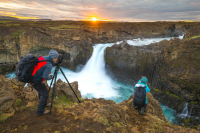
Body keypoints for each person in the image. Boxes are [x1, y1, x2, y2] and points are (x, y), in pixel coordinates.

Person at [31, 49, 59, 115]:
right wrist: (51, 77)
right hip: (35, 80)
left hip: (33, 77)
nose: (57, 59)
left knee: (42, 90)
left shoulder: (43, 57)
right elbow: (45, 76)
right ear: (54, 58)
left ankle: (44, 103)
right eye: (57, 57)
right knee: (45, 94)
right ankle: (40, 111)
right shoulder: (49, 65)